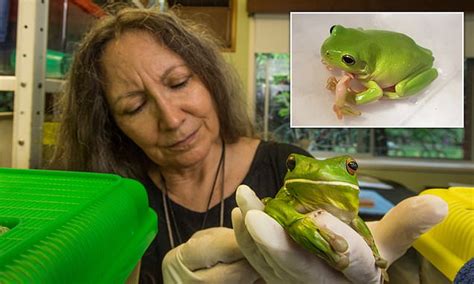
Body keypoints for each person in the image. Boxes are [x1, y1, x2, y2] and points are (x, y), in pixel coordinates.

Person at [51, 6, 448, 284]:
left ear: (210, 80)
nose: (171, 119)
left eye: (178, 83)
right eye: (135, 106)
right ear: (112, 127)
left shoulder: (286, 166)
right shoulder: (117, 206)